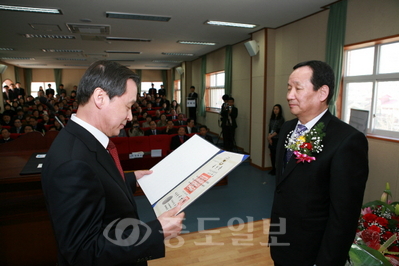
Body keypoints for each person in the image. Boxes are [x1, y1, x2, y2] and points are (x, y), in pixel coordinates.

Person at [41, 60, 184, 266]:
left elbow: (95, 184)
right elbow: (84, 252)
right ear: (100, 98)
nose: (130, 116)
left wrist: (130, 179)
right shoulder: (72, 163)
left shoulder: (83, 140)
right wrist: (156, 231)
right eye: (128, 106)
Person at [269, 60, 368, 266]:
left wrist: (327, 261)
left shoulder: (347, 140)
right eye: (289, 88)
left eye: (298, 88)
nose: (289, 95)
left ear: (322, 93)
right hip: (282, 240)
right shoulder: (288, 128)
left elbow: (344, 215)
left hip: (312, 250)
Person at [267, 104, 285, 175]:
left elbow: (279, 130)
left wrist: (271, 136)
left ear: (279, 110)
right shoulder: (272, 118)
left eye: (277, 109)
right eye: (274, 109)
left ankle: (277, 169)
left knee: (277, 154)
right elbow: (270, 128)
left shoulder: (281, 119)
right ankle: (273, 168)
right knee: (272, 155)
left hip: (277, 138)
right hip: (271, 138)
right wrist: (269, 137)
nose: (275, 110)